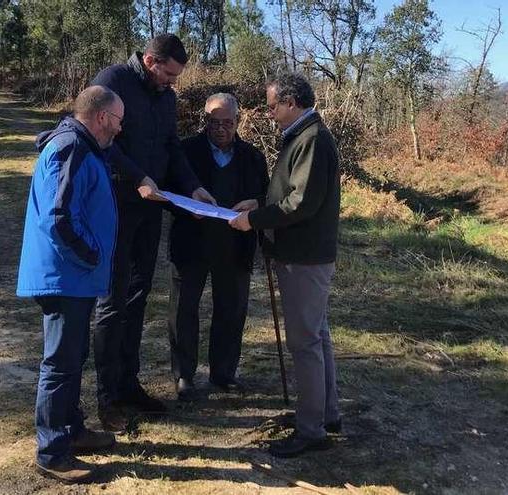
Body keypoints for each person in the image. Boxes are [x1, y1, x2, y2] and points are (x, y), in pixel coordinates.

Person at [90, 34, 216, 430]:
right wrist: (137, 176)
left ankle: (130, 385)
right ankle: (107, 398)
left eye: (177, 77)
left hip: (151, 209)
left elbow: (171, 147)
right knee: (111, 304)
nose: (173, 82)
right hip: (114, 207)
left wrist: (192, 185)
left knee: (138, 296)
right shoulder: (112, 82)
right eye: (169, 74)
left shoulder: (167, 98)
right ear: (149, 60)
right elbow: (99, 142)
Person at [16, 86, 126, 483]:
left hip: (74, 276)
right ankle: (52, 452)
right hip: (64, 276)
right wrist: (93, 253)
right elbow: (60, 217)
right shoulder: (71, 148)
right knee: (60, 364)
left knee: (72, 358)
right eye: (118, 121)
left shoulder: (83, 147)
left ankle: (73, 430)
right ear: (100, 117)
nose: (119, 128)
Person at [229, 73, 342, 458]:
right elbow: (290, 193)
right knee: (317, 335)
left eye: (273, 105)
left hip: (304, 258)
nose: (270, 112)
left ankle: (311, 431)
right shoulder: (302, 136)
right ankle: (326, 413)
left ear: (291, 103)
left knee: (305, 342)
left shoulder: (311, 139)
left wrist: (255, 221)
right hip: (302, 254)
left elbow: (301, 203)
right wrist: (259, 205)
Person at [167, 93, 268, 401]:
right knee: (184, 311)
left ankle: (223, 373)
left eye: (228, 123)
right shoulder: (185, 151)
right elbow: (168, 193)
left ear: (238, 122)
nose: (221, 129)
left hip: (235, 246)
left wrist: (257, 204)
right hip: (191, 243)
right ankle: (184, 375)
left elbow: (267, 195)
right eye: (214, 122)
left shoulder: (253, 156)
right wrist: (187, 207)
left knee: (231, 311)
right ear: (205, 120)